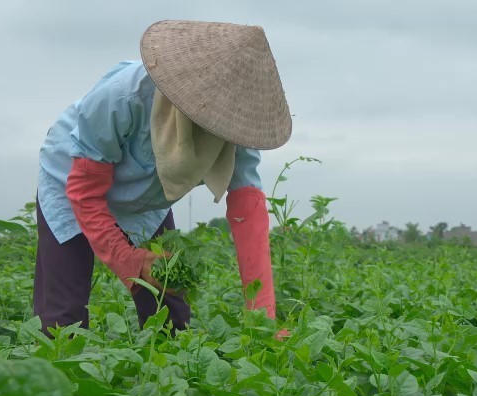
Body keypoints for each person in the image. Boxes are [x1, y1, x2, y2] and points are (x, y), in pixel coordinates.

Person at [33, 20, 292, 334]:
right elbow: (84, 191)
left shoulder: (235, 129)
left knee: (170, 309)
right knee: (64, 318)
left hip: (146, 201)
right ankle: (56, 379)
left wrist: (263, 318)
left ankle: (168, 377)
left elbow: (248, 215)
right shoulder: (122, 98)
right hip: (71, 183)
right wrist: (129, 260)